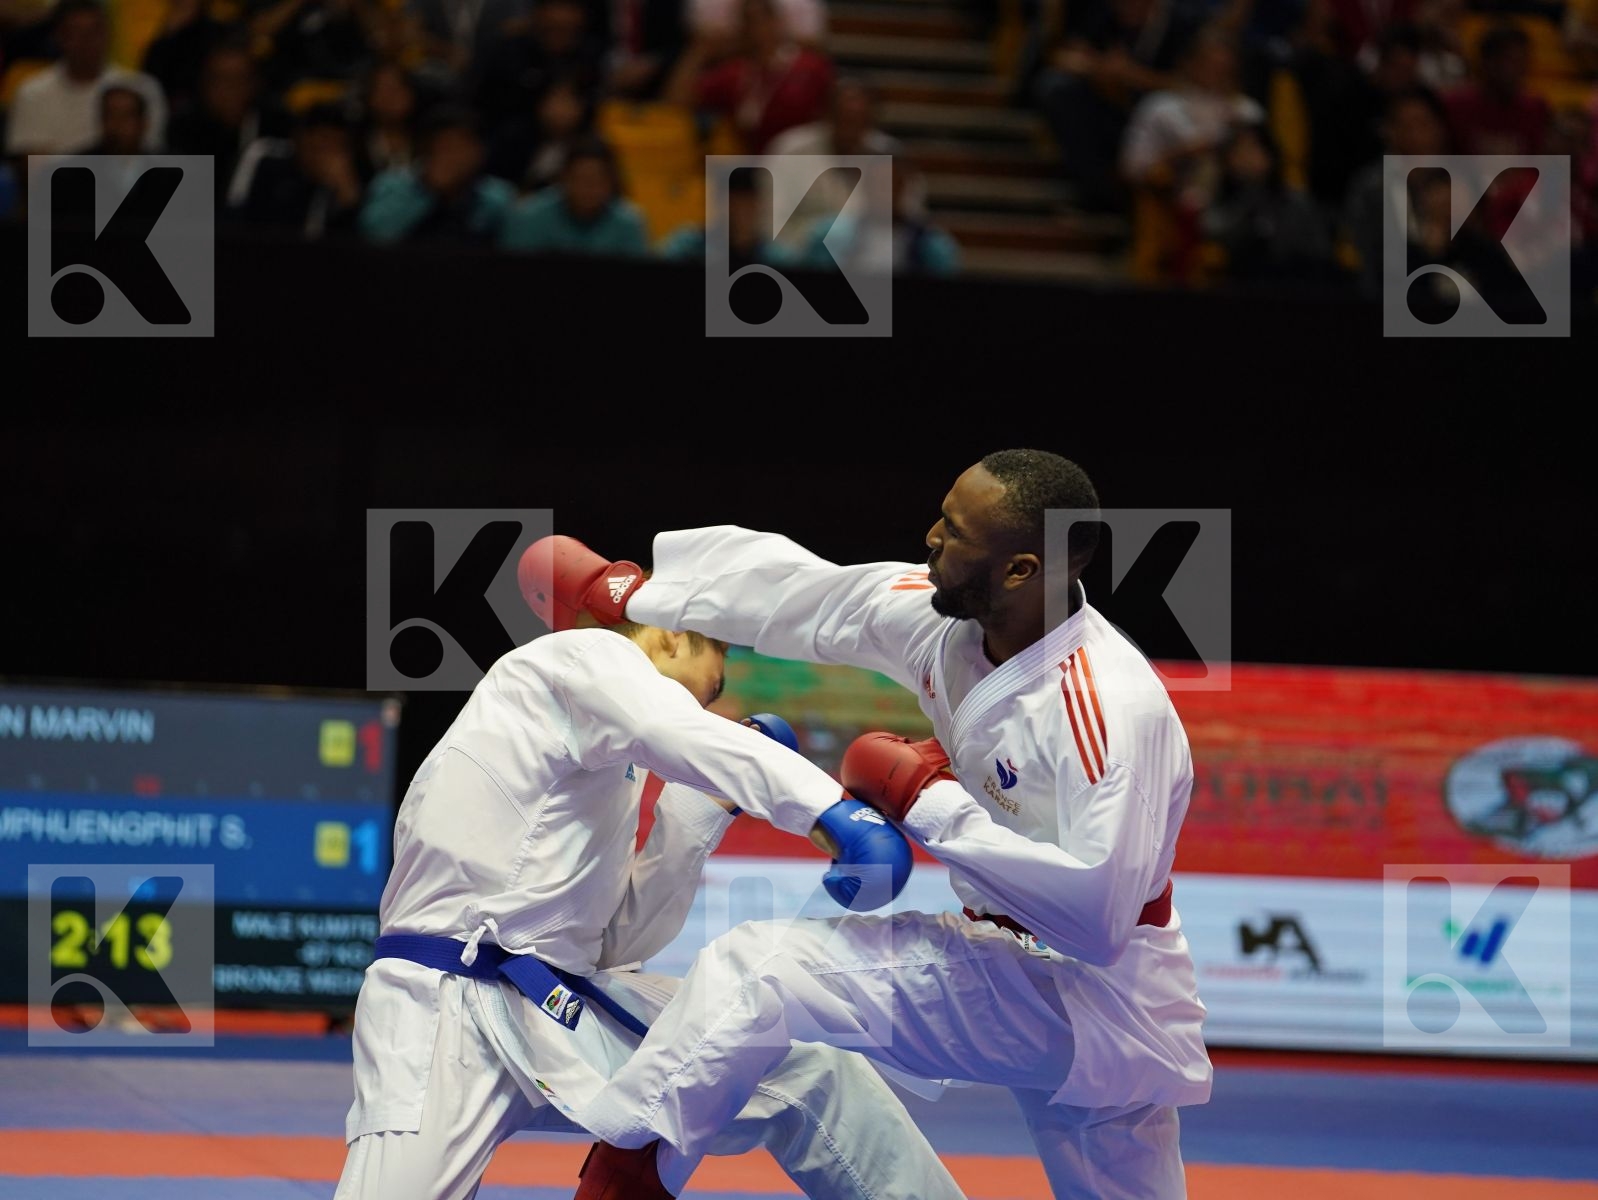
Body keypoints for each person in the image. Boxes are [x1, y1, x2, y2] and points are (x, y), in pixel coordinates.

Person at [537, 449, 1213, 1200]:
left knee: (759, 968)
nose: (930, 536)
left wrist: (931, 803)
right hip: (1028, 964)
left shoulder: (1107, 712)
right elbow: (813, 595)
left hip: (1093, 991)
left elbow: (1098, 919)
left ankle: (623, 1178)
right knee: (760, 974)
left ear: (1021, 570)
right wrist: (641, 596)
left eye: (954, 532)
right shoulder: (941, 620)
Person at [333, 598, 961, 1200]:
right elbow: (671, 728)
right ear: (671, 635)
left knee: (809, 1068)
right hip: (443, 1007)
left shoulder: (606, 769)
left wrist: (703, 807)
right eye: (709, 688)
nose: (707, 707)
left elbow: (616, 943)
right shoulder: (573, 661)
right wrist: (831, 811)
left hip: (557, 1002)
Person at [4, 0, 167, 154]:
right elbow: (30, 170)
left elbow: (150, 157)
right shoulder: (32, 93)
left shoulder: (140, 88)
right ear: (59, 37)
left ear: (108, 33)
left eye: (94, 31)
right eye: (76, 32)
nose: (86, 41)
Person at [359, 106, 515, 245]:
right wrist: (430, 189)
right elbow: (376, 235)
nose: (455, 156)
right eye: (446, 146)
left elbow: (518, 246)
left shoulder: (497, 195)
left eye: (464, 146)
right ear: (427, 149)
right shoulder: (392, 185)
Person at [500, 136, 650, 255]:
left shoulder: (628, 223)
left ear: (612, 182)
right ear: (563, 178)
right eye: (580, 179)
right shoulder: (531, 216)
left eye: (597, 180)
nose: (589, 188)